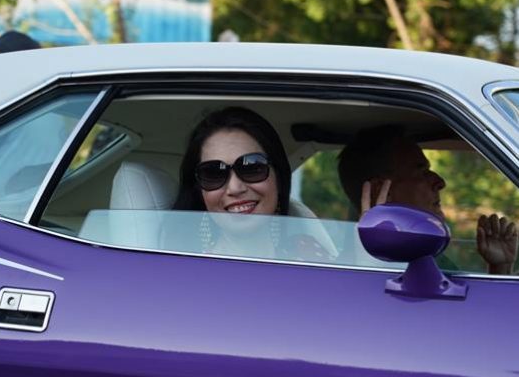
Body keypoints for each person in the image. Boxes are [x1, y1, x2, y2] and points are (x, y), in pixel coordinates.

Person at [337, 125, 518, 275]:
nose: (440, 182)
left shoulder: (419, 251)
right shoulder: (353, 272)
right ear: (382, 189)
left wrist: (500, 268)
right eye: (422, 171)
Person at [173, 106, 332, 261]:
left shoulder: (308, 255)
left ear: (278, 177)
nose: (235, 188)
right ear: (199, 191)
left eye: (252, 168)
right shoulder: (185, 269)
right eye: (214, 173)